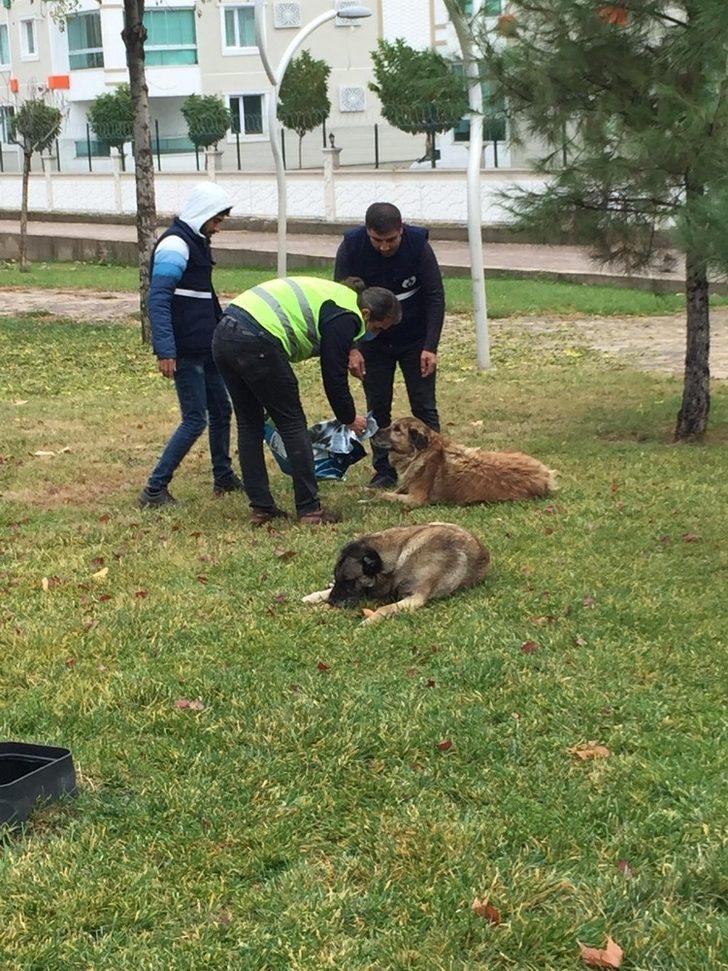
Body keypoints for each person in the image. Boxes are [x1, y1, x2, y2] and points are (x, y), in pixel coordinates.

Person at [212, 276, 401, 526]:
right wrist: (348, 418)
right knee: (292, 423)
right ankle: (310, 510)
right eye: (377, 328)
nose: (374, 334)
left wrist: (350, 347)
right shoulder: (347, 315)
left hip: (225, 333)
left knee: (249, 425)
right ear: (366, 313)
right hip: (257, 339)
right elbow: (333, 376)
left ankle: (261, 508)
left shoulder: (339, 296)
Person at [139, 183, 243, 508]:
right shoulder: (175, 244)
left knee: (222, 410)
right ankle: (154, 490)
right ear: (202, 214)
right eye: (217, 220)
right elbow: (158, 299)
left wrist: (223, 331)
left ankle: (223, 477)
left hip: (206, 346)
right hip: (185, 350)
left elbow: (206, 296)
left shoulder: (197, 241)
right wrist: (166, 350)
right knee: (195, 419)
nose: (218, 227)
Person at [334, 202, 446, 488]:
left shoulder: (419, 246)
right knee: (378, 406)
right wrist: (353, 347)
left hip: (414, 338)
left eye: (391, 240)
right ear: (367, 232)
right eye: (377, 240)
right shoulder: (351, 247)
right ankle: (384, 470)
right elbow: (341, 300)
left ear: (402, 229)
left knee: (424, 405)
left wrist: (430, 346)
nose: (384, 247)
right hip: (373, 342)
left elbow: (435, 296)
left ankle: (436, 466)